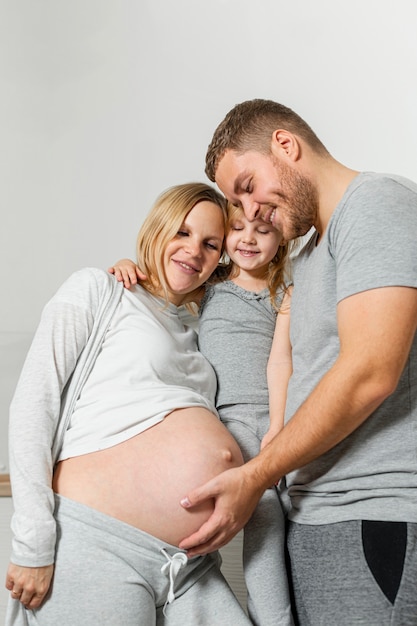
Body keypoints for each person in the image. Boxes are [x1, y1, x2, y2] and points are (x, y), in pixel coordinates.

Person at [176, 99, 417, 625]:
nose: (249, 208)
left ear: (286, 146)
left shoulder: (375, 203)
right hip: (314, 516)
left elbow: (371, 373)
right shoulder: (305, 260)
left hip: (373, 513)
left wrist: (256, 475)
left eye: (247, 184)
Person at [5, 182, 253, 626]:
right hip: (98, 543)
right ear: (156, 229)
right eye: (181, 232)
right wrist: (33, 542)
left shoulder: (202, 329)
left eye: (210, 243)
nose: (193, 250)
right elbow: (33, 407)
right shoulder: (100, 290)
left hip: (187, 564)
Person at [110, 200, 295, 626]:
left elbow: (281, 362)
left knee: (292, 520)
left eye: (262, 231)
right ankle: (274, 619)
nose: (248, 238)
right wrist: (125, 264)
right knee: (264, 523)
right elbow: (160, 288)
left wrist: (281, 426)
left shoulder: (284, 293)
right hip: (230, 424)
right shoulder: (208, 287)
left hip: (276, 418)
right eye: (238, 229)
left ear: (281, 238)